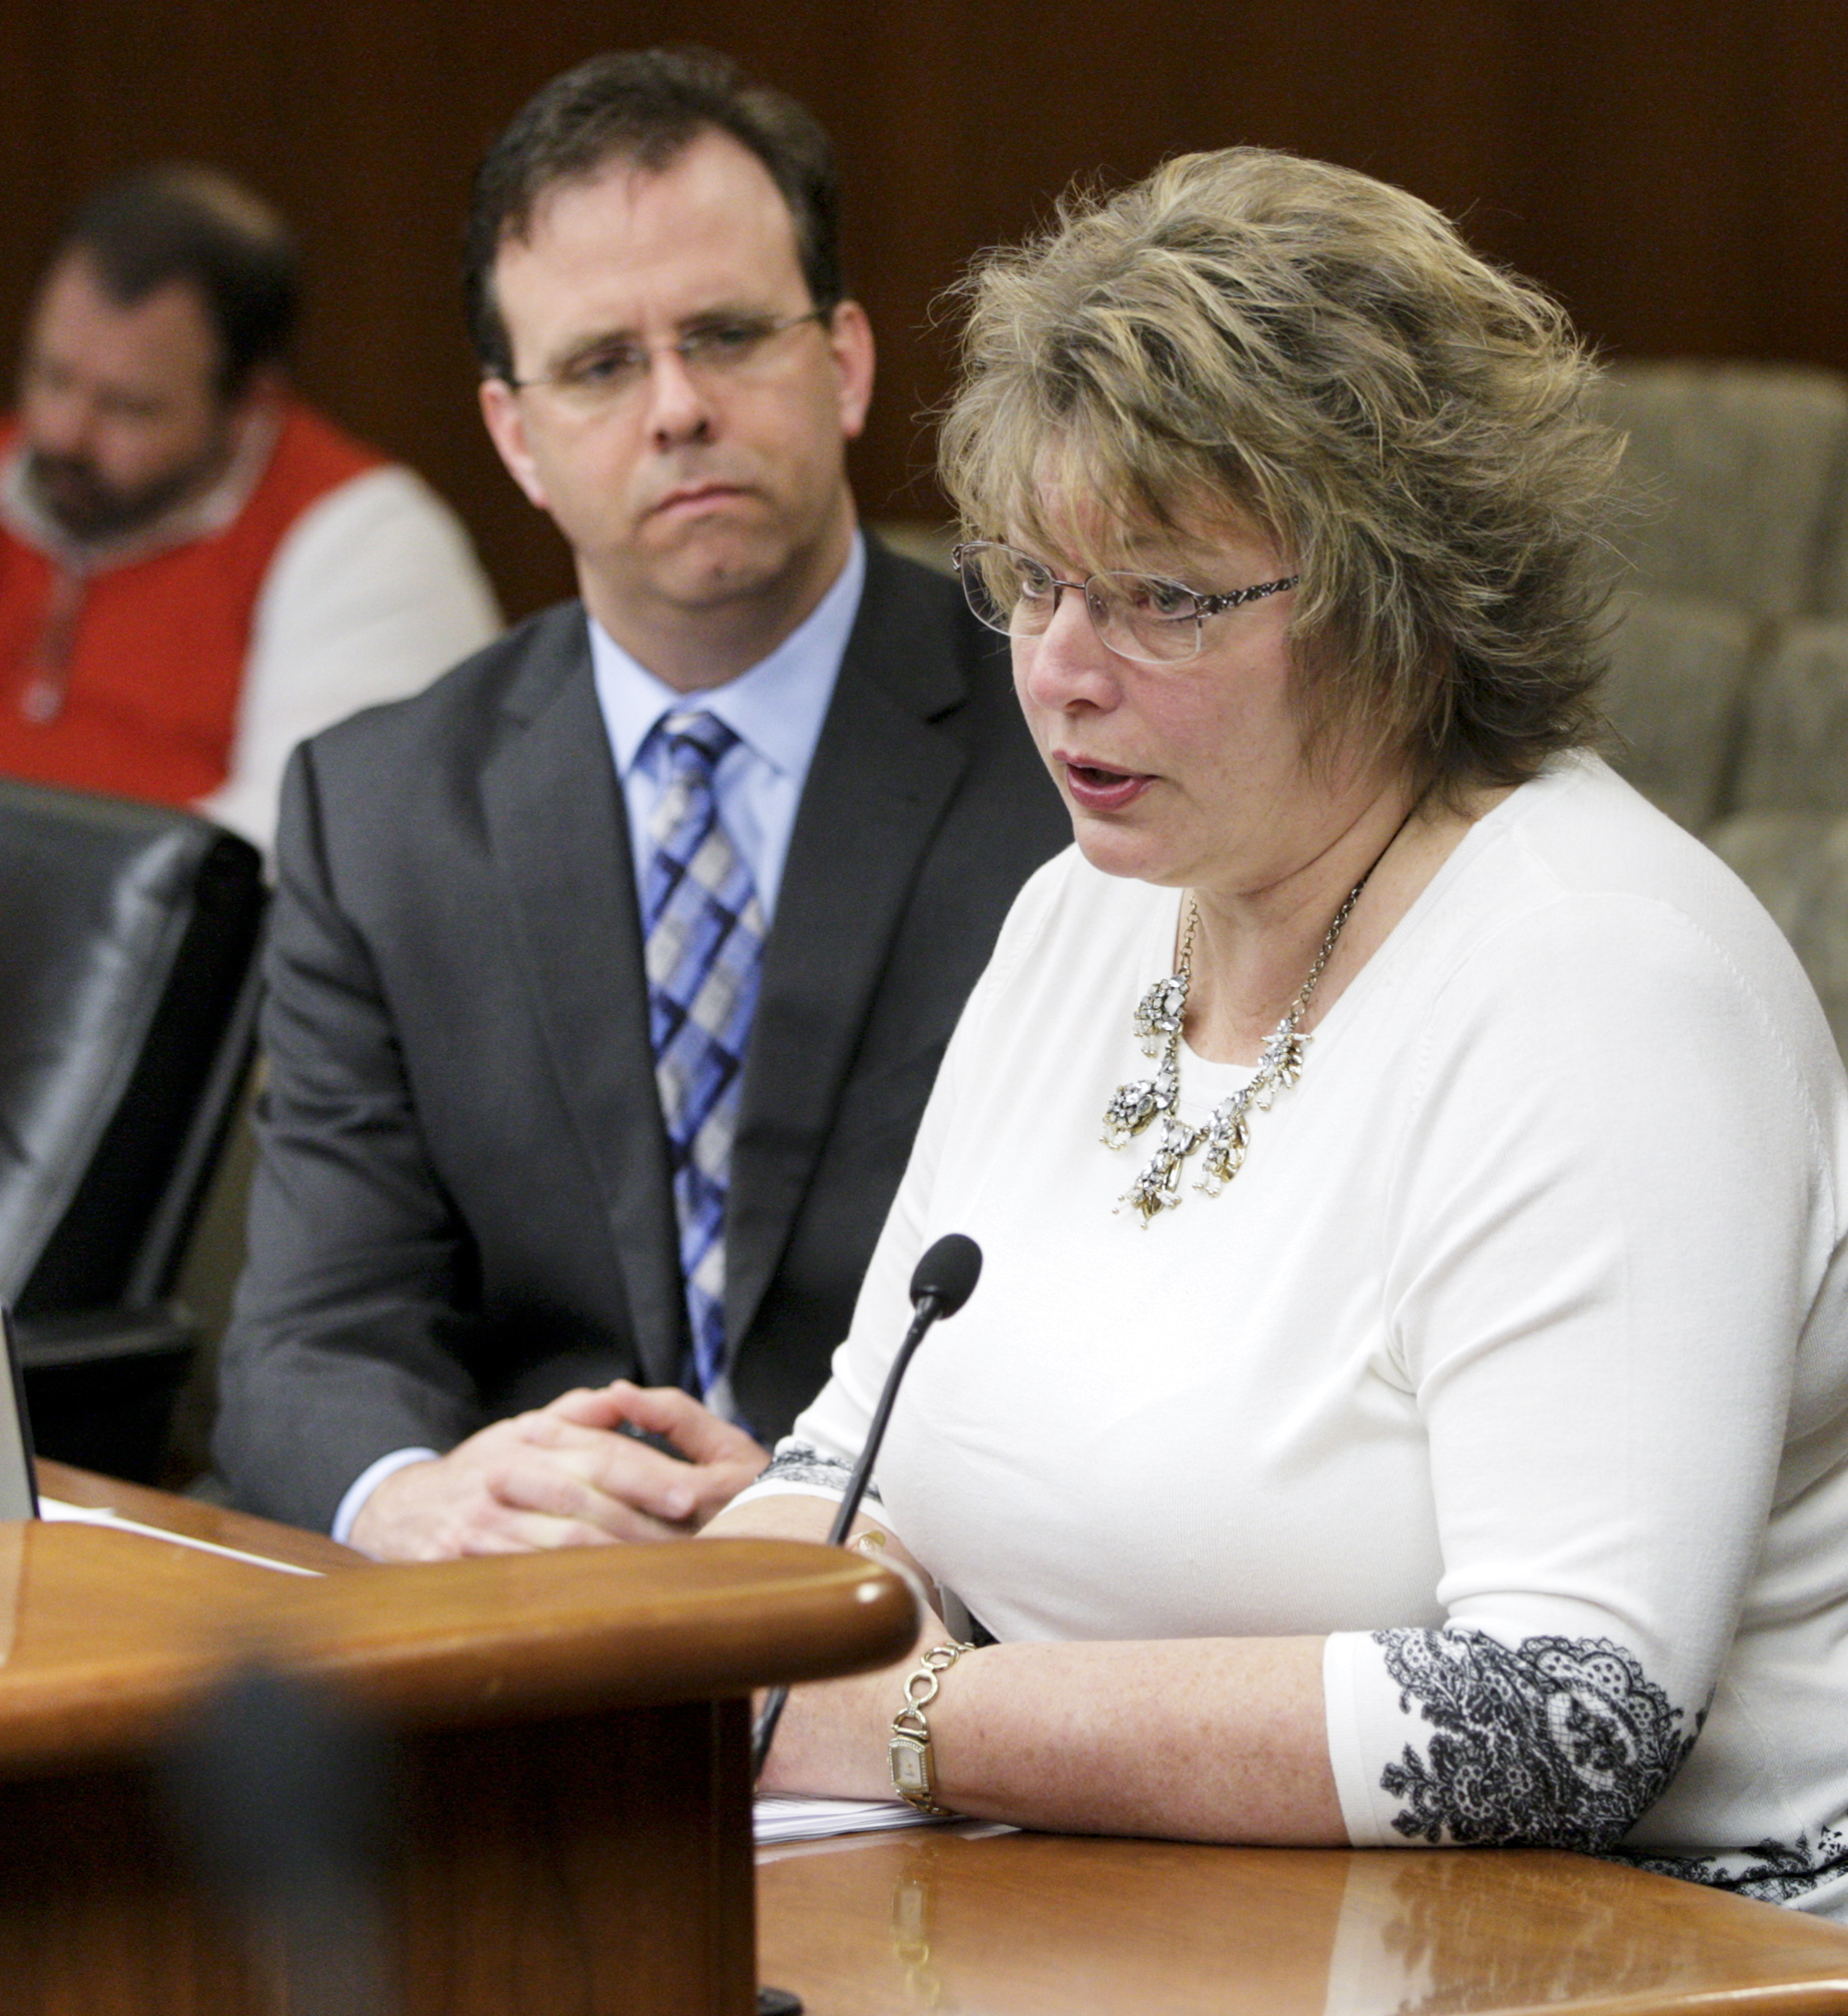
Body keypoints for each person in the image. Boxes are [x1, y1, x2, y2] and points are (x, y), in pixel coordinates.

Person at [699, 150, 1848, 2005]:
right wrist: (736, 1644)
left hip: (1754, 1958)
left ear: (1401, 596)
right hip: (1196, 1920)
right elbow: (847, 1449)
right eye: (1029, 581)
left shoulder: (1600, 978)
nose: (1060, 670)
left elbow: (1561, 1720)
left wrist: (914, 1718)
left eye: (1164, 599)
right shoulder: (1084, 913)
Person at [211, 49, 1066, 1557]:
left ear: (848, 363)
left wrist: (834, 1504)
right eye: (602, 363)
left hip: (945, 1594)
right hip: (536, 1612)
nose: (677, 406)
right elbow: (312, 1340)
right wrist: (419, 1495)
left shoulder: (1075, 735)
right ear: (512, 435)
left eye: (729, 334)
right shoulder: (380, 807)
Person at [0, 166, 499, 850]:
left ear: (251, 403)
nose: (63, 433)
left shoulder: (366, 539)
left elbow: (321, 840)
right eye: (50, 376)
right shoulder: (19, 460)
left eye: (128, 407)